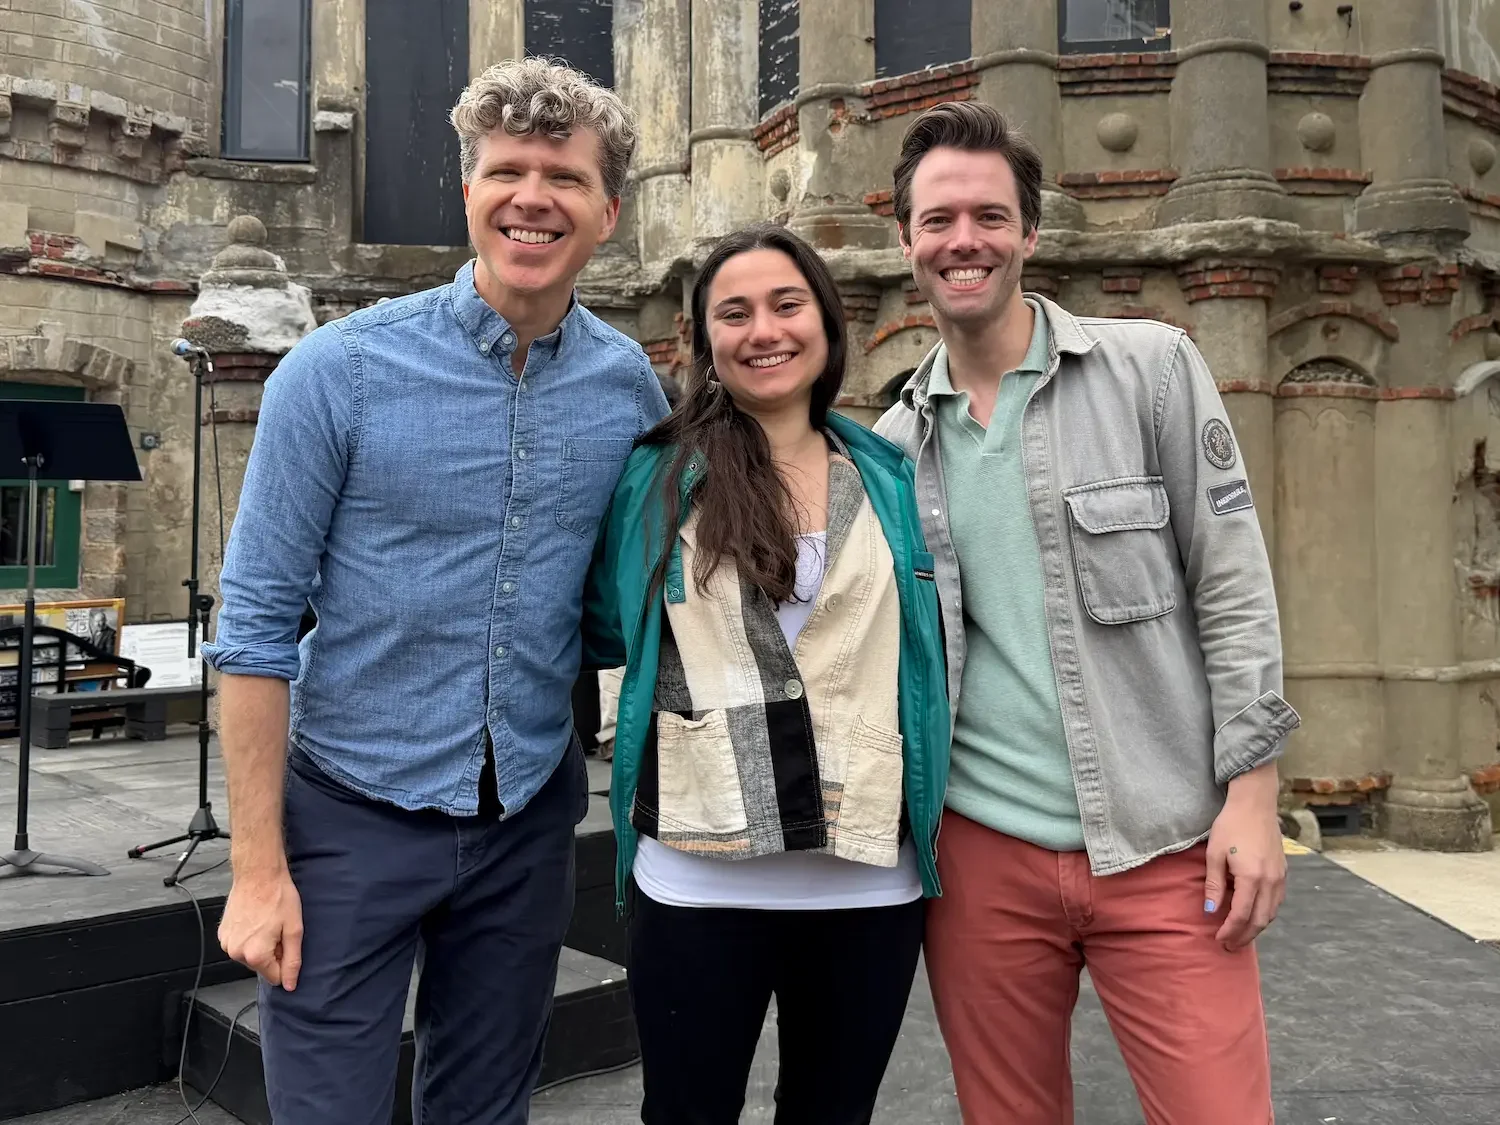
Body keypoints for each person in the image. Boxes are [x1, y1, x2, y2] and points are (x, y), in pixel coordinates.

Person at [200, 58, 669, 1125]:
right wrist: (259, 868)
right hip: (349, 815)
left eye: (563, 175)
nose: (531, 196)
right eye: (507, 169)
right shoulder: (337, 373)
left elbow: (655, 586)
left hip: (527, 817)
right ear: (469, 193)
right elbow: (257, 626)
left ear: (608, 211)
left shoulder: (629, 389)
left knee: (487, 1109)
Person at [875, 101, 1301, 1125]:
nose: (961, 240)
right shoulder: (891, 446)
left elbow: (1234, 584)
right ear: (906, 242)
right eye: (937, 221)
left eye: (987, 215)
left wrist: (1254, 800)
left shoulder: (1150, 370)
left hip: (1165, 841)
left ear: (1030, 231)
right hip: (981, 863)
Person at [581, 223, 950, 1125]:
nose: (764, 330)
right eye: (734, 313)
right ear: (706, 342)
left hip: (868, 879)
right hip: (700, 878)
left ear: (825, 320)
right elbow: (598, 622)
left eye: (787, 304)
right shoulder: (656, 480)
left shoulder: (893, 475)